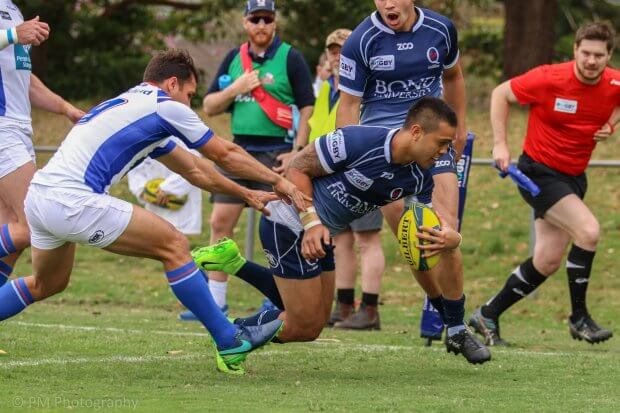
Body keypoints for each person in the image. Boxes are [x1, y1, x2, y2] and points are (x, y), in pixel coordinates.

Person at [0, 49, 311, 374]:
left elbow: (195, 170)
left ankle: (228, 337)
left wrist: (247, 193)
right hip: (72, 200)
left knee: (45, 284)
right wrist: (280, 182)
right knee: (174, 245)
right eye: (189, 96)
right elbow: (226, 154)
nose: (189, 105)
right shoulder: (163, 106)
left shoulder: (133, 105)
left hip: (40, 199)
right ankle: (229, 339)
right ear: (172, 83)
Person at [195, 97, 492, 364]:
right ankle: (230, 340)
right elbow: (298, 167)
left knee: (313, 323)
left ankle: (234, 269)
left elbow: (421, 235)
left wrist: (450, 240)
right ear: (416, 132)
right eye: (441, 143)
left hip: (321, 234)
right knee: (302, 324)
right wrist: (311, 222)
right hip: (288, 224)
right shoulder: (358, 141)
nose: (444, 153)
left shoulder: (420, 177)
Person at [334, 0, 483, 358]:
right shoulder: (361, 40)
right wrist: (347, 151)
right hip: (387, 152)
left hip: (433, 144)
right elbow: (349, 104)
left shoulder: (441, 29)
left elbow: (453, 77)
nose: (387, 3)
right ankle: (444, 312)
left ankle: (459, 328)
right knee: (413, 240)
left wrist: (459, 128)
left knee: (444, 235)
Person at [469, 22, 618, 346]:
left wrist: (611, 122)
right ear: (575, 51)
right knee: (589, 232)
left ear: (609, 56)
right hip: (537, 173)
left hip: (574, 177)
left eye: (598, 55)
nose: (591, 61)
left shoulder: (614, 82)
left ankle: (487, 314)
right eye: (586, 53)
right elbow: (500, 94)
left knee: (548, 260)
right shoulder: (550, 77)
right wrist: (500, 144)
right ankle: (579, 317)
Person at [202, 0, 314, 314]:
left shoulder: (290, 57)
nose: (261, 25)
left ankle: (280, 296)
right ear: (245, 23)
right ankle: (216, 300)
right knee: (220, 223)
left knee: (281, 227)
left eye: (267, 19)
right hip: (237, 152)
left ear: (275, 23)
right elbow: (209, 106)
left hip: (278, 152)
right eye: (255, 19)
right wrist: (235, 88)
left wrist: (298, 151)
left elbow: (307, 105)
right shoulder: (233, 59)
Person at [0, 3, 84, 291]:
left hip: (18, 129)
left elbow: (25, 81)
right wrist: (13, 34)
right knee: (30, 225)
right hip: (2, 130)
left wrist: (66, 109)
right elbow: (10, 38)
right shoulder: (13, 25)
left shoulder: (11, 9)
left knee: (11, 235)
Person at [127, 137, 204, 236]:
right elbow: (134, 168)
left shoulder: (181, 132)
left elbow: (193, 163)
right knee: (155, 237)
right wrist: (142, 191)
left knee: (181, 241)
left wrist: (167, 188)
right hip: (154, 205)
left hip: (183, 205)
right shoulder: (139, 137)